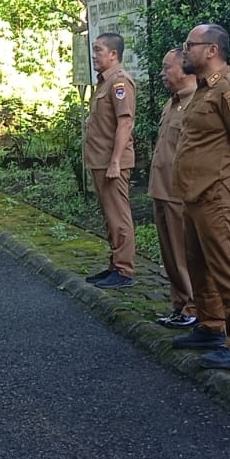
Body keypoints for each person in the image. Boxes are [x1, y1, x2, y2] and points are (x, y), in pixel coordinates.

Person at [171, 24, 230, 371]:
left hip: (217, 192)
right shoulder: (203, 90)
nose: (184, 51)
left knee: (225, 266)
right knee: (198, 263)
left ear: (211, 50)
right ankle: (210, 325)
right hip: (194, 192)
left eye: (189, 44)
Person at [83, 32, 137, 288]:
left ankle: (124, 270)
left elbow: (125, 123)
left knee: (118, 216)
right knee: (109, 216)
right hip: (100, 160)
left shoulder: (119, 82)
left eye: (99, 50)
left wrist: (115, 161)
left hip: (111, 163)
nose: (94, 55)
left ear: (113, 54)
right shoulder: (104, 82)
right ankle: (115, 264)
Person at [149, 50, 198, 329]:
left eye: (167, 68)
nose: (162, 73)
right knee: (169, 254)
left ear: (185, 69)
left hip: (180, 191)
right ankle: (179, 304)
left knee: (184, 253)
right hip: (161, 187)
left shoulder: (197, 102)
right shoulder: (172, 102)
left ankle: (194, 306)